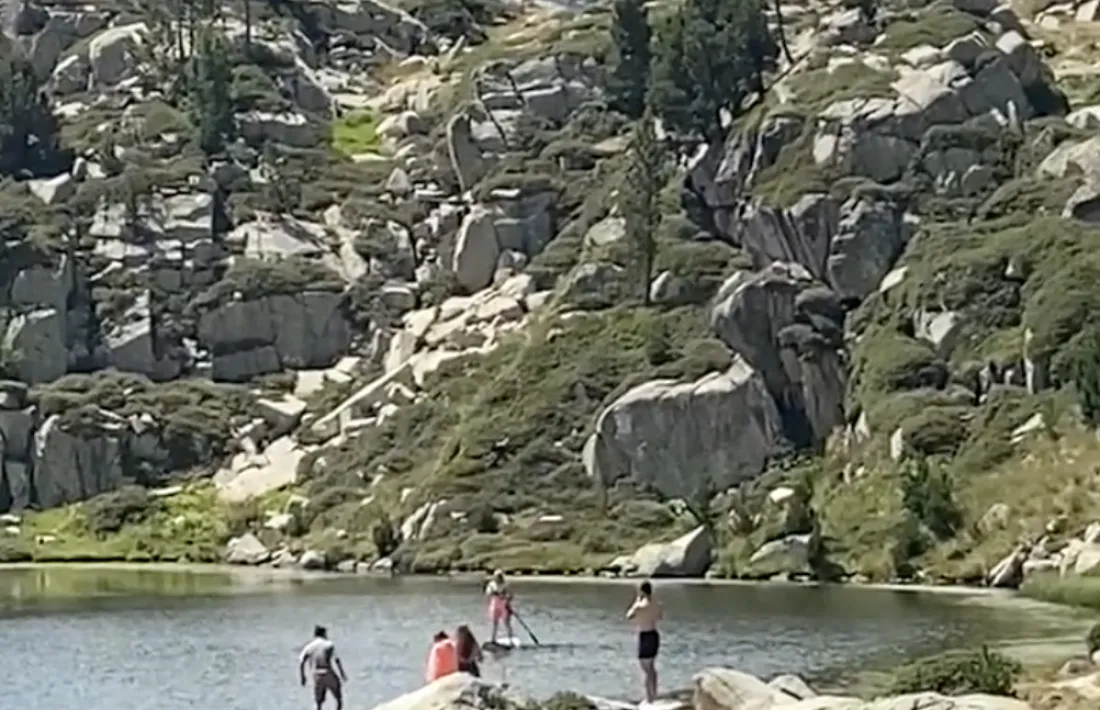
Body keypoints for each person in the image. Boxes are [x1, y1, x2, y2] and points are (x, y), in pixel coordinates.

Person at [626, 581, 662, 703]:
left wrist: (637, 601)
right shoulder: (655, 604)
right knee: (651, 667)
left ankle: (649, 698)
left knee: (645, 667)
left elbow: (629, 615)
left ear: (642, 591)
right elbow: (659, 617)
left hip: (645, 635)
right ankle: (655, 694)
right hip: (654, 634)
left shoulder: (640, 606)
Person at [298, 625, 348, 710]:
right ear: (324, 634)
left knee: (319, 702)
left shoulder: (309, 646)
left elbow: (301, 661)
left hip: (316, 675)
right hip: (327, 672)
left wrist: (303, 676)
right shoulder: (328, 644)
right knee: (338, 699)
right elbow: (336, 660)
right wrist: (342, 674)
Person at [485, 569, 515, 644]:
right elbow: (488, 593)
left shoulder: (505, 585)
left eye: (499, 576)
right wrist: (493, 592)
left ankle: (511, 639)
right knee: (494, 623)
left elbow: (511, 595)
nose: (498, 578)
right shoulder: (492, 584)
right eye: (497, 576)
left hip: (503, 605)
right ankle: (493, 639)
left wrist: (507, 598)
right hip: (494, 605)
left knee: (506, 623)